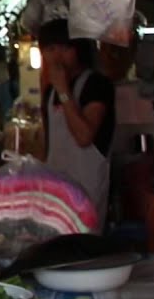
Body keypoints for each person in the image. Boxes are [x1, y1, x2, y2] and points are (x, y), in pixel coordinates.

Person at [38, 18, 116, 229]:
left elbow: (84, 137)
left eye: (64, 48)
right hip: (56, 193)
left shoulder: (96, 85)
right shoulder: (49, 93)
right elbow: (47, 148)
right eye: (50, 49)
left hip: (87, 191)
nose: (57, 56)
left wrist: (64, 90)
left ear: (78, 50)